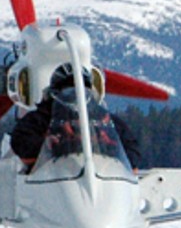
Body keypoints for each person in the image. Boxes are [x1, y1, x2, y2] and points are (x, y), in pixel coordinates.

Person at [10, 65, 147, 170]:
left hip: (101, 179)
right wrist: (55, 143)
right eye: (67, 90)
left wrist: (105, 143)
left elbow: (132, 154)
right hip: (54, 180)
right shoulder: (39, 119)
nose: (75, 95)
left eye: (81, 89)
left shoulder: (104, 119)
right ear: (54, 94)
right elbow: (22, 145)